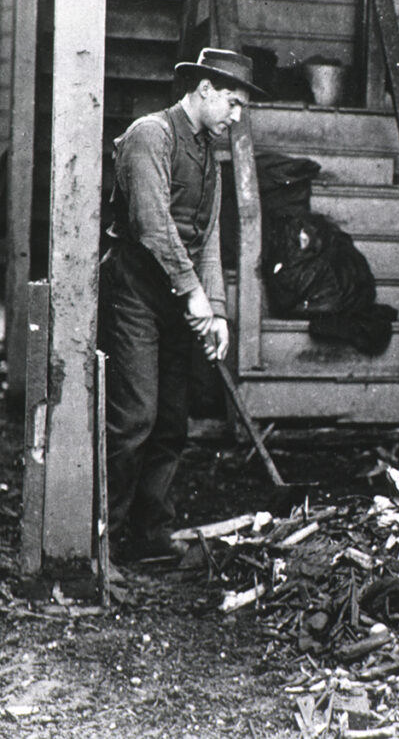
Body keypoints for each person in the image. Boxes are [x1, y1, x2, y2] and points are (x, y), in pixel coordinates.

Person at [100, 48, 264, 559]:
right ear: (206, 89)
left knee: (172, 420)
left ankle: (149, 533)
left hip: (179, 298)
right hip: (135, 292)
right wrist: (191, 292)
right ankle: (101, 539)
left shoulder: (209, 157)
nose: (237, 118)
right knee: (135, 418)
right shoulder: (152, 136)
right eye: (233, 104)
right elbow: (153, 224)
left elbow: (208, 238)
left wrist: (215, 309)